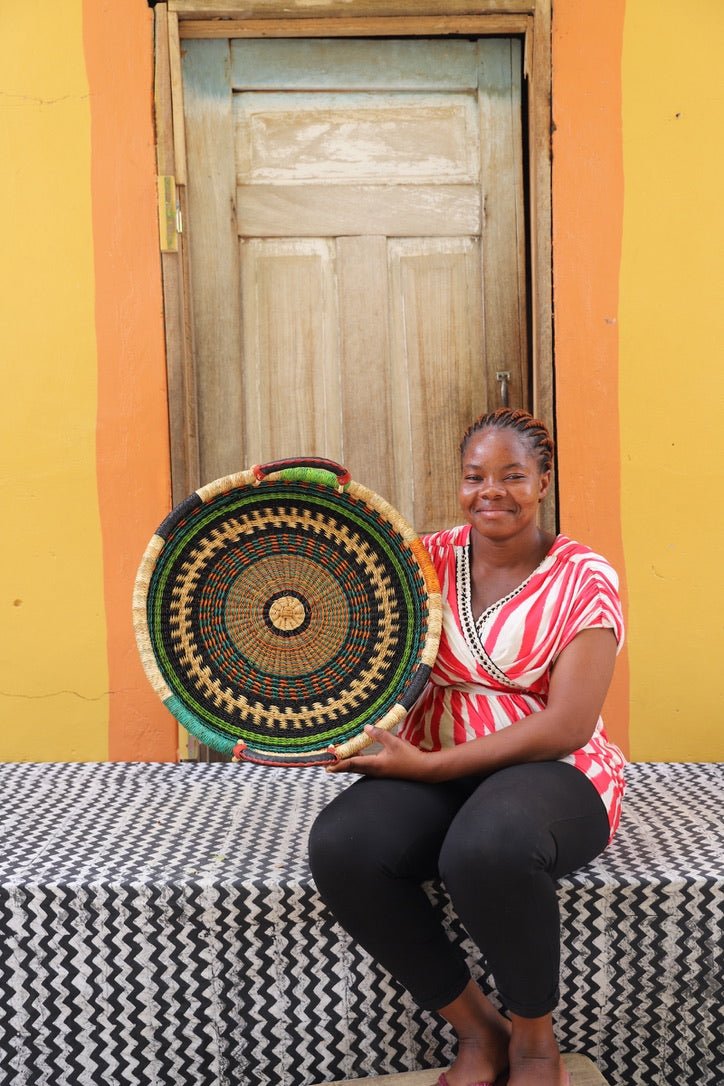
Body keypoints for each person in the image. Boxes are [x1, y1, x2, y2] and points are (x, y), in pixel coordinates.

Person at [308, 408, 625, 1086]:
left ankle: (537, 1043)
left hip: (550, 769)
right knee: (342, 844)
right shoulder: (426, 560)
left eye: (513, 476)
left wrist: (426, 767)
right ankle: (480, 1030)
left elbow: (568, 723)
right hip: (437, 756)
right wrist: (309, 726)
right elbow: (352, 643)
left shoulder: (584, 578)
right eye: (475, 477)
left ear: (543, 481)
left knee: (485, 850)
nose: (492, 492)